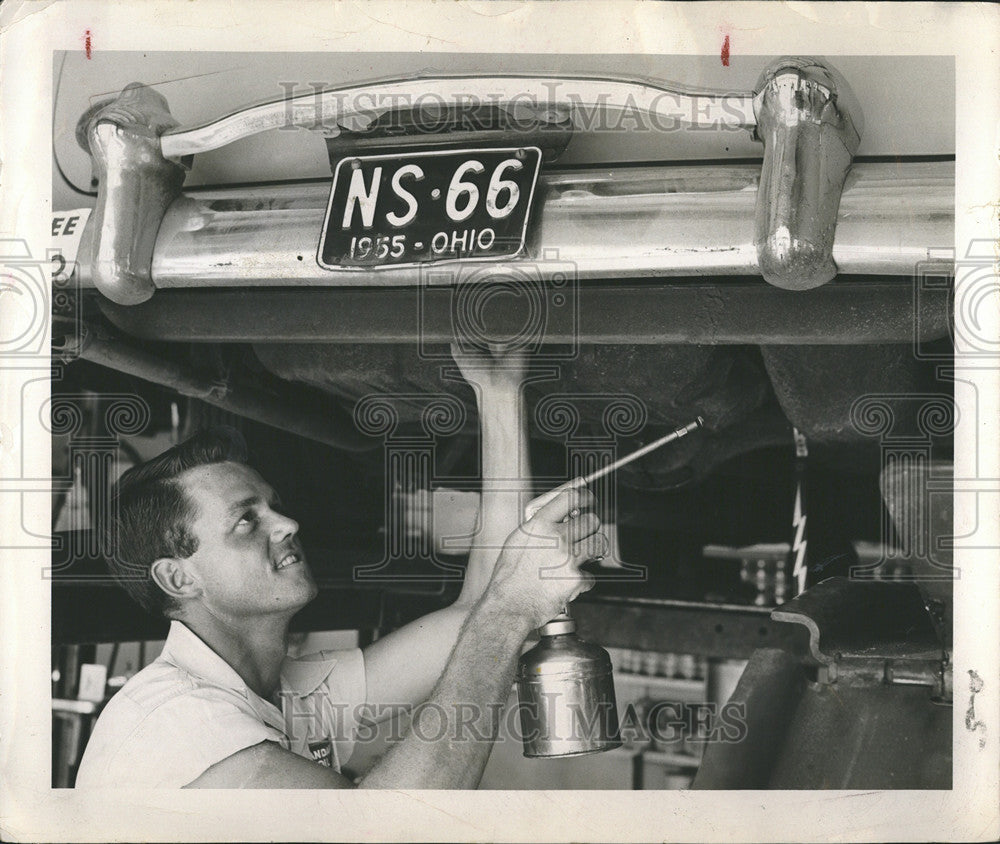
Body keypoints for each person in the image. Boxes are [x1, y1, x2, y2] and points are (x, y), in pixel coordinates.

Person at [76, 348, 603, 788]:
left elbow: (474, 611)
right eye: (245, 520)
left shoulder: (290, 694)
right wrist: (510, 610)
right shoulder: (178, 722)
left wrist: (498, 392)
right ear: (178, 578)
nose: (286, 522)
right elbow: (385, 829)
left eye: (272, 504)